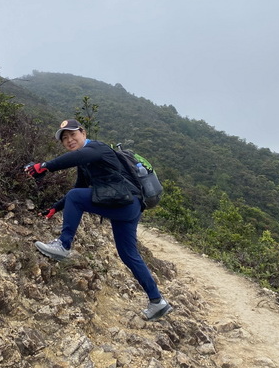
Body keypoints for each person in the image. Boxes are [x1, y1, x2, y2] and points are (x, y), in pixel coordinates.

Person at [24, 119, 173, 321]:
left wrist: (44, 166)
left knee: (77, 197)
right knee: (129, 254)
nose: (69, 140)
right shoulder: (84, 163)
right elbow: (76, 190)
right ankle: (158, 302)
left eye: (72, 135)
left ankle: (63, 245)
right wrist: (55, 208)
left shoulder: (98, 148)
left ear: (83, 133)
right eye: (65, 139)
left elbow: (79, 164)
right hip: (128, 206)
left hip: (125, 204)